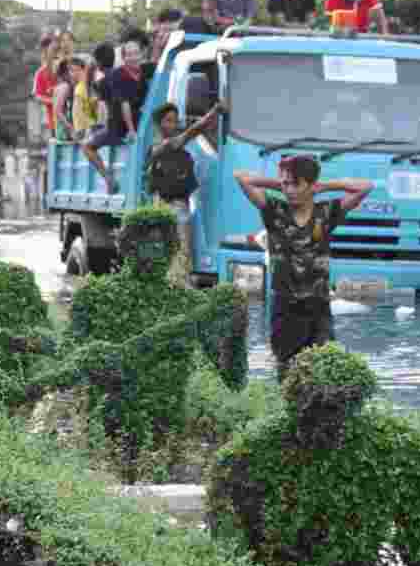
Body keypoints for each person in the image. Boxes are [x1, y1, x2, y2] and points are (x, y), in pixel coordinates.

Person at [234, 157, 373, 379]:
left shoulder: (327, 213)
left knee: (324, 371)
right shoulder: (274, 211)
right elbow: (242, 177)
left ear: (311, 185)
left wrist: (325, 186)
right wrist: (281, 183)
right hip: (285, 308)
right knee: (287, 373)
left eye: (295, 184)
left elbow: (366, 187)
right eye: (285, 184)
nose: (288, 190)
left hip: (319, 309)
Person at [147, 102, 222, 274]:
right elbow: (193, 131)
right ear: (159, 125)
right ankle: (177, 292)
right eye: (168, 121)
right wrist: (215, 111)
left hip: (178, 205)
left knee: (174, 255)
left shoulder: (173, 147)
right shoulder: (161, 147)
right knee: (179, 255)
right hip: (171, 207)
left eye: (175, 121)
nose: (173, 125)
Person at [83, 40, 145, 194]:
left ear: (97, 63)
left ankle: (108, 179)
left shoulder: (104, 81)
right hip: (136, 123)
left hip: (117, 128)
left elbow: (101, 108)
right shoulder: (132, 73)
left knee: (87, 146)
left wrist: (88, 73)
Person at [33, 36, 58, 137]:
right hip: (55, 123)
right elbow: (37, 96)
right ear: (44, 51)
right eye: (53, 48)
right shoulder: (40, 73)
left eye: (57, 48)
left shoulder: (65, 68)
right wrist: (53, 101)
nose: (56, 51)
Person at [70, 56, 99, 140]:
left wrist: (79, 132)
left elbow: (77, 115)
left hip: (86, 131)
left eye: (72, 70)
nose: (70, 74)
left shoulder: (79, 89)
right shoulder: (91, 86)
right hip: (91, 129)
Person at [51, 58, 76, 141]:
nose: (73, 74)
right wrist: (70, 128)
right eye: (71, 71)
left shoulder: (59, 87)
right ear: (65, 72)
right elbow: (58, 111)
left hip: (60, 130)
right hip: (64, 132)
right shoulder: (65, 87)